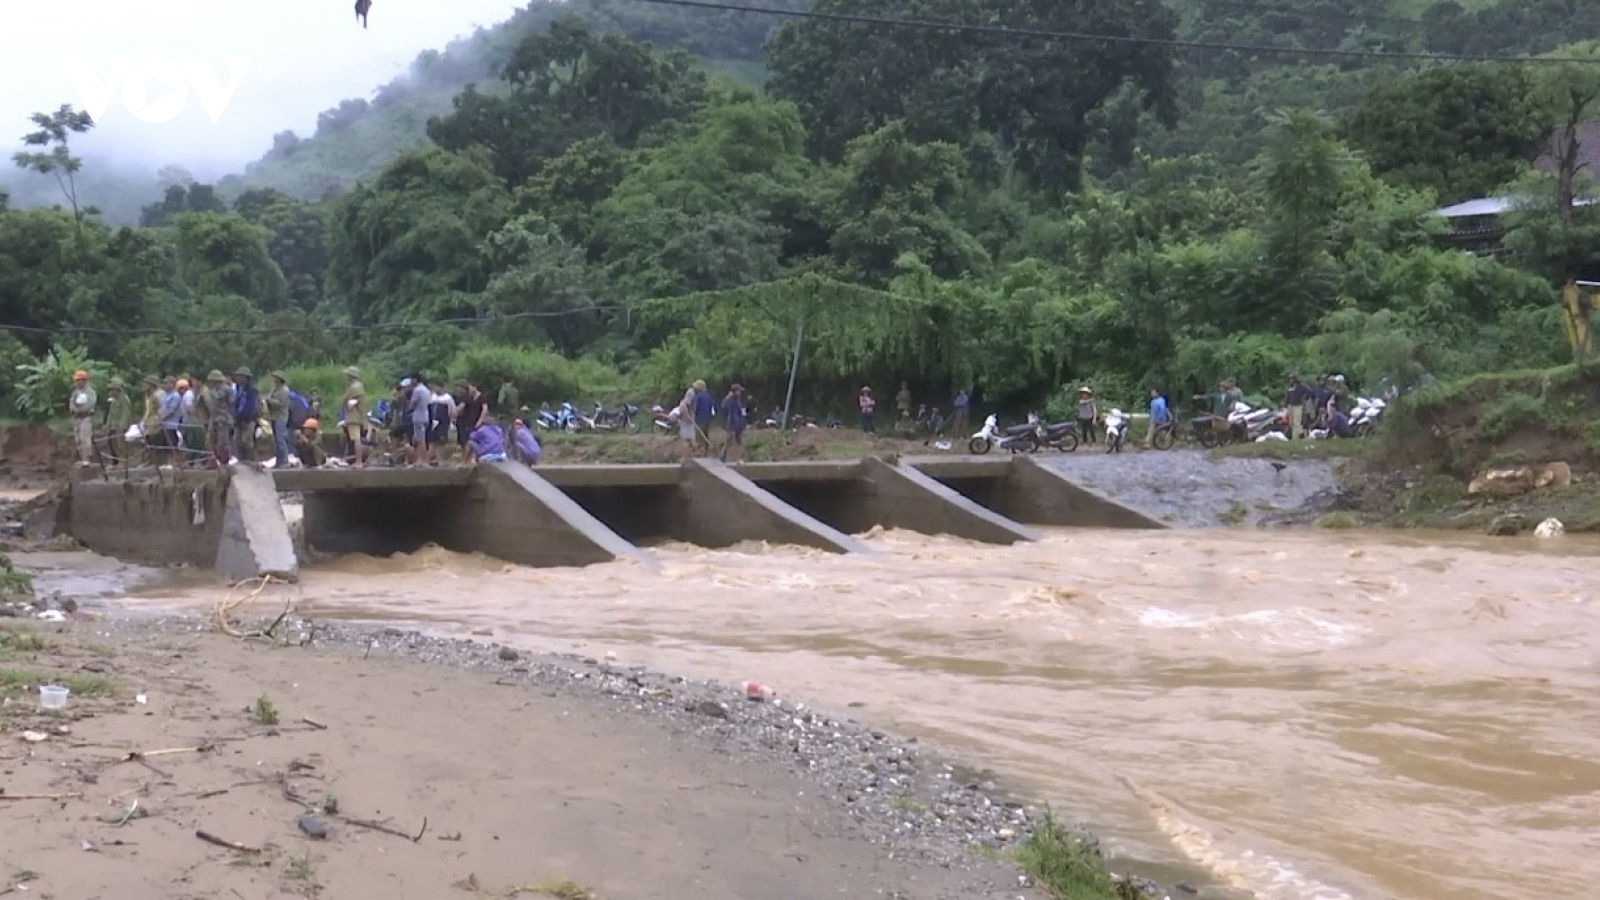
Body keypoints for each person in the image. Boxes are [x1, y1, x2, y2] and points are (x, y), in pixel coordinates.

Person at [201, 370, 233, 467]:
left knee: (223, 443)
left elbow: (231, 404)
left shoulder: (227, 390)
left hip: (223, 419)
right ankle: (213, 461)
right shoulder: (213, 391)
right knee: (209, 441)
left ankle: (225, 462)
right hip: (213, 418)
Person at [232, 368, 261, 465]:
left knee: (247, 441)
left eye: (240, 376)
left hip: (248, 420)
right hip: (238, 420)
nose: (238, 378)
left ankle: (251, 462)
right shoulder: (238, 389)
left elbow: (252, 406)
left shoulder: (252, 391)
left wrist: (245, 418)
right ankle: (242, 461)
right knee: (237, 440)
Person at [103, 377, 133, 467]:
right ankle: (116, 462)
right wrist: (107, 425)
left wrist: (122, 426)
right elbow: (110, 414)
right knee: (113, 445)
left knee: (121, 445)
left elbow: (126, 413)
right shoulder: (113, 400)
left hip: (120, 427)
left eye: (112, 389)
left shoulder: (124, 399)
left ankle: (123, 462)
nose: (111, 392)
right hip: (113, 426)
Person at [69, 370, 97, 465]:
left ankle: (87, 458)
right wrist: (73, 409)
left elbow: (90, 404)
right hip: (76, 418)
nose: (76, 382)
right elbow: (71, 402)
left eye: (78, 380)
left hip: (86, 417)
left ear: (84, 380)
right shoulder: (76, 392)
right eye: (76, 380)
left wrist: (80, 410)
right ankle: (81, 457)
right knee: (78, 439)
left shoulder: (90, 392)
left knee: (84, 438)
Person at [342, 366, 368, 468]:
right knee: (357, 438)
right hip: (359, 416)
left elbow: (346, 401)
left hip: (354, 417)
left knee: (356, 439)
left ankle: (358, 461)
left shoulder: (354, 388)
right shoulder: (360, 386)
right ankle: (358, 461)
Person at [265, 371, 292, 468]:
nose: (273, 379)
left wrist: (269, 401)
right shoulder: (274, 389)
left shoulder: (284, 390)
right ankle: (278, 460)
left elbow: (281, 403)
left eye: (275, 377)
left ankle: (285, 459)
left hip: (281, 417)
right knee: (275, 440)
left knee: (280, 439)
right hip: (273, 416)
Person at [455, 380, 487, 454]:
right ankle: (465, 460)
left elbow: (485, 409)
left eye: (470, 388)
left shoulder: (482, 397)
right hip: (468, 420)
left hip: (476, 420)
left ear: (475, 387)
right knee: (465, 440)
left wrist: (480, 420)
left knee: (472, 441)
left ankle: (471, 459)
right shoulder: (470, 397)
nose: (469, 390)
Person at [407, 375, 433, 467]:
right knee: (421, 438)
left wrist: (409, 409)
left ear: (415, 379)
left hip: (418, 416)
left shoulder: (417, 390)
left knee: (420, 440)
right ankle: (421, 460)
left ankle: (421, 460)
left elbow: (413, 403)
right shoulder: (427, 390)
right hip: (426, 416)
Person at [158, 375, 184, 467]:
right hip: (163, 424)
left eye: (166, 383)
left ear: (172, 384)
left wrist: (162, 418)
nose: (164, 385)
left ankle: (174, 463)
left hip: (172, 424)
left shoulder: (175, 396)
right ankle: (167, 463)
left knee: (172, 444)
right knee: (165, 444)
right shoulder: (164, 395)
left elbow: (171, 410)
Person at [428, 376, 453, 461]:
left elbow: (451, 411)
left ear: (440, 387)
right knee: (432, 441)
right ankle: (434, 458)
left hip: (443, 422)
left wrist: (450, 422)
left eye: (436, 387)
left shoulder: (448, 398)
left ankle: (441, 460)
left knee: (441, 442)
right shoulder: (432, 397)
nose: (434, 389)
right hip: (433, 422)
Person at [720, 383, 747, 463]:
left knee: (738, 442)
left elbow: (740, 412)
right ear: (734, 391)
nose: (740, 393)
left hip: (738, 423)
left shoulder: (738, 400)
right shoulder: (728, 400)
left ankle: (737, 458)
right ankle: (723, 456)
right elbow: (724, 408)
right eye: (739, 391)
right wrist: (727, 398)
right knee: (729, 441)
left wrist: (742, 423)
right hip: (731, 423)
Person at [677, 380, 704, 460]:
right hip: (686, 420)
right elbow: (684, 405)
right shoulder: (691, 393)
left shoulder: (693, 393)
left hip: (689, 419)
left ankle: (690, 456)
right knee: (686, 439)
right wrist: (688, 416)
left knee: (690, 438)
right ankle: (685, 457)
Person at [1285, 375, 1312, 441]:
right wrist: (1286, 404)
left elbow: (1309, 392)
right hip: (1290, 406)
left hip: (1298, 406)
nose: (1290, 380)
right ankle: (1293, 436)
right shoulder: (1290, 387)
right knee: (1291, 423)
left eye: (1292, 379)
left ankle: (1295, 439)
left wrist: (1304, 399)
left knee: (1297, 423)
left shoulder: (1302, 387)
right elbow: (1288, 396)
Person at [692, 380, 715, 450]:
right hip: (707, 419)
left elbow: (695, 408)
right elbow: (712, 408)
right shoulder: (709, 397)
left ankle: (700, 451)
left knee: (699, 436)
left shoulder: (698, 397)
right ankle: (706, 450)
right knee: (706, 434)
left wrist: (693, 417)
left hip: (699, 419)